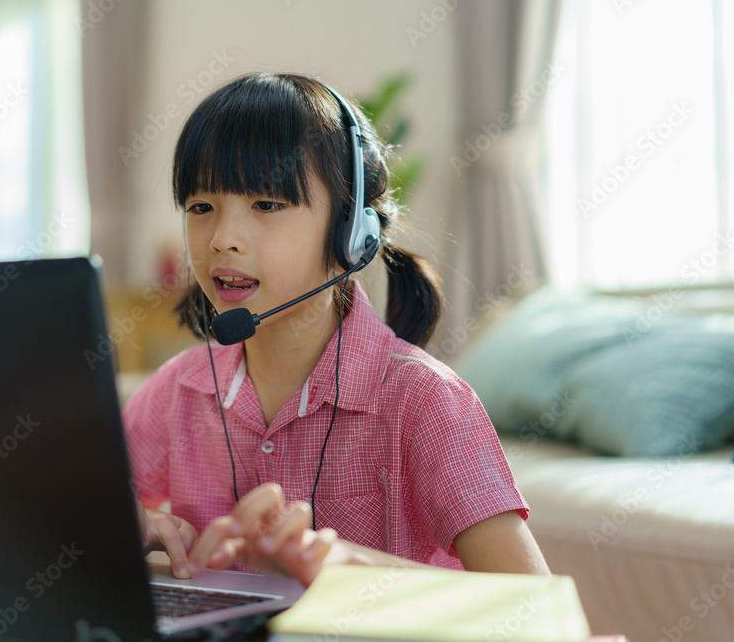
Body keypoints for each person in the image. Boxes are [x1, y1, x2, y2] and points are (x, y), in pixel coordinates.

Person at [123, 72, 549, 586]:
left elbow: (531, 602)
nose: (223, 239)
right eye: (200, 208)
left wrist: (354, 567)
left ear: (351, 231)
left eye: (267, 205)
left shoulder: (425, 401)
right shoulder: (180, 388)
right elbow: (66, 501)